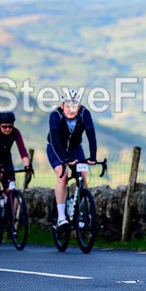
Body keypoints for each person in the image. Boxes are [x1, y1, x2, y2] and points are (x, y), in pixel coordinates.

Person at [47, 89, 97, 229]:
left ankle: (79, 212)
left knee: (82, 176)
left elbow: (91, 134)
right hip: (56, 149)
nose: (71, 109)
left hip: (75, 149)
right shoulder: (55, 115)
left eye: (74, 105)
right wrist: (64, 160)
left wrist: (93, 156)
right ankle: (61, 217)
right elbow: (55, 139)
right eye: (68, 105)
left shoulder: (84, 113)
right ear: (63, 105)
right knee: (63, 176)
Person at [0, 111, 31, 218]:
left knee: (12, 191)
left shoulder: (15, 132)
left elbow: (22, 151)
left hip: (7, 161)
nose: (7, 129)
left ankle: (12, 220)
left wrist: (27, 165)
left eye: (10, 127)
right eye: (4, 127)